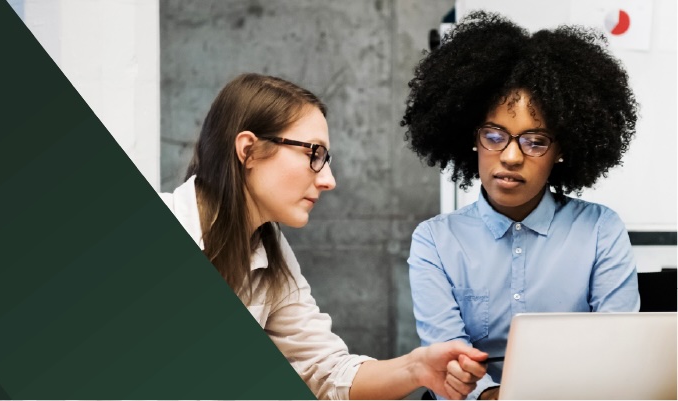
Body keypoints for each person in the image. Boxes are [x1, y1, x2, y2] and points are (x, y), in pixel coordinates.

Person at [160, 72, 488, 400]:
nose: (328, 180)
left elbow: (326, 371)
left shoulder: (269, 250)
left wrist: (416, 369)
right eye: (313, 154)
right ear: (249, 150)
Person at [400, 11, 641, 400]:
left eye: (535, 140)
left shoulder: (600, 231)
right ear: (473, 140)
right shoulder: (435, 241)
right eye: (494, 135)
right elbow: (446, 363)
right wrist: (488, 394)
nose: (511, 157)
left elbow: (617, 352)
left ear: (562, 150)